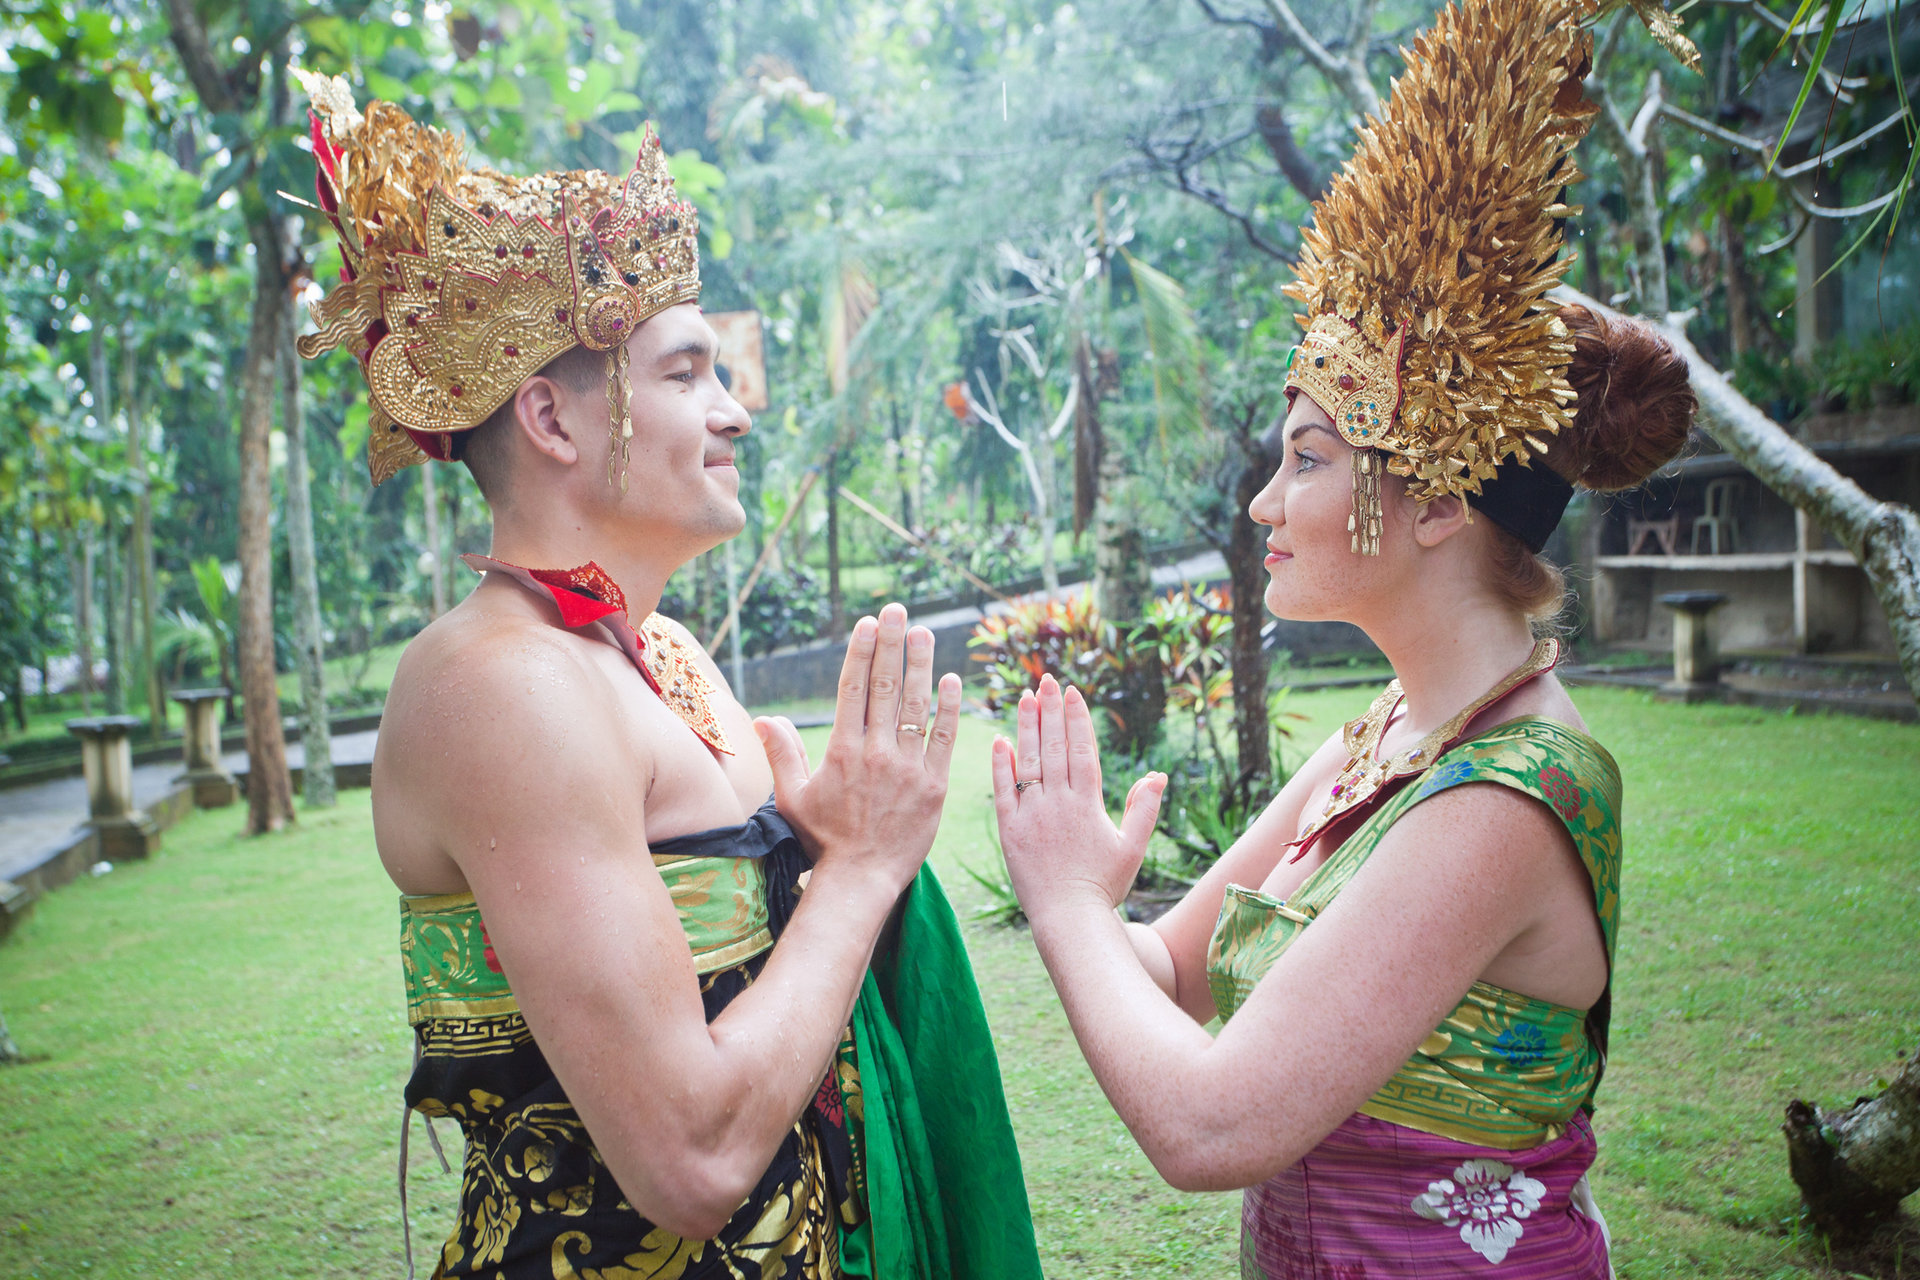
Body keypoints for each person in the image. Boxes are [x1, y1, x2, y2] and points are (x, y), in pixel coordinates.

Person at [988, 2, 1698, 1275]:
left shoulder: (1509, 798)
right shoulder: (1393, 732)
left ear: (1435, 500)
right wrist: (1098, 898)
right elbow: (1167, 975)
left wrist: (1056, 900)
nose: (1265, 500)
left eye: (1308, 456)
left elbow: (1213, 1122)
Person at [294, 75, 1042, 1280]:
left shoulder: (666, 651)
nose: (735, 412)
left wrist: (824, 841)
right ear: (550, 415)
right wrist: (858, 871)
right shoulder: (502, 687)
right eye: (689, 372)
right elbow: (688, 1161)